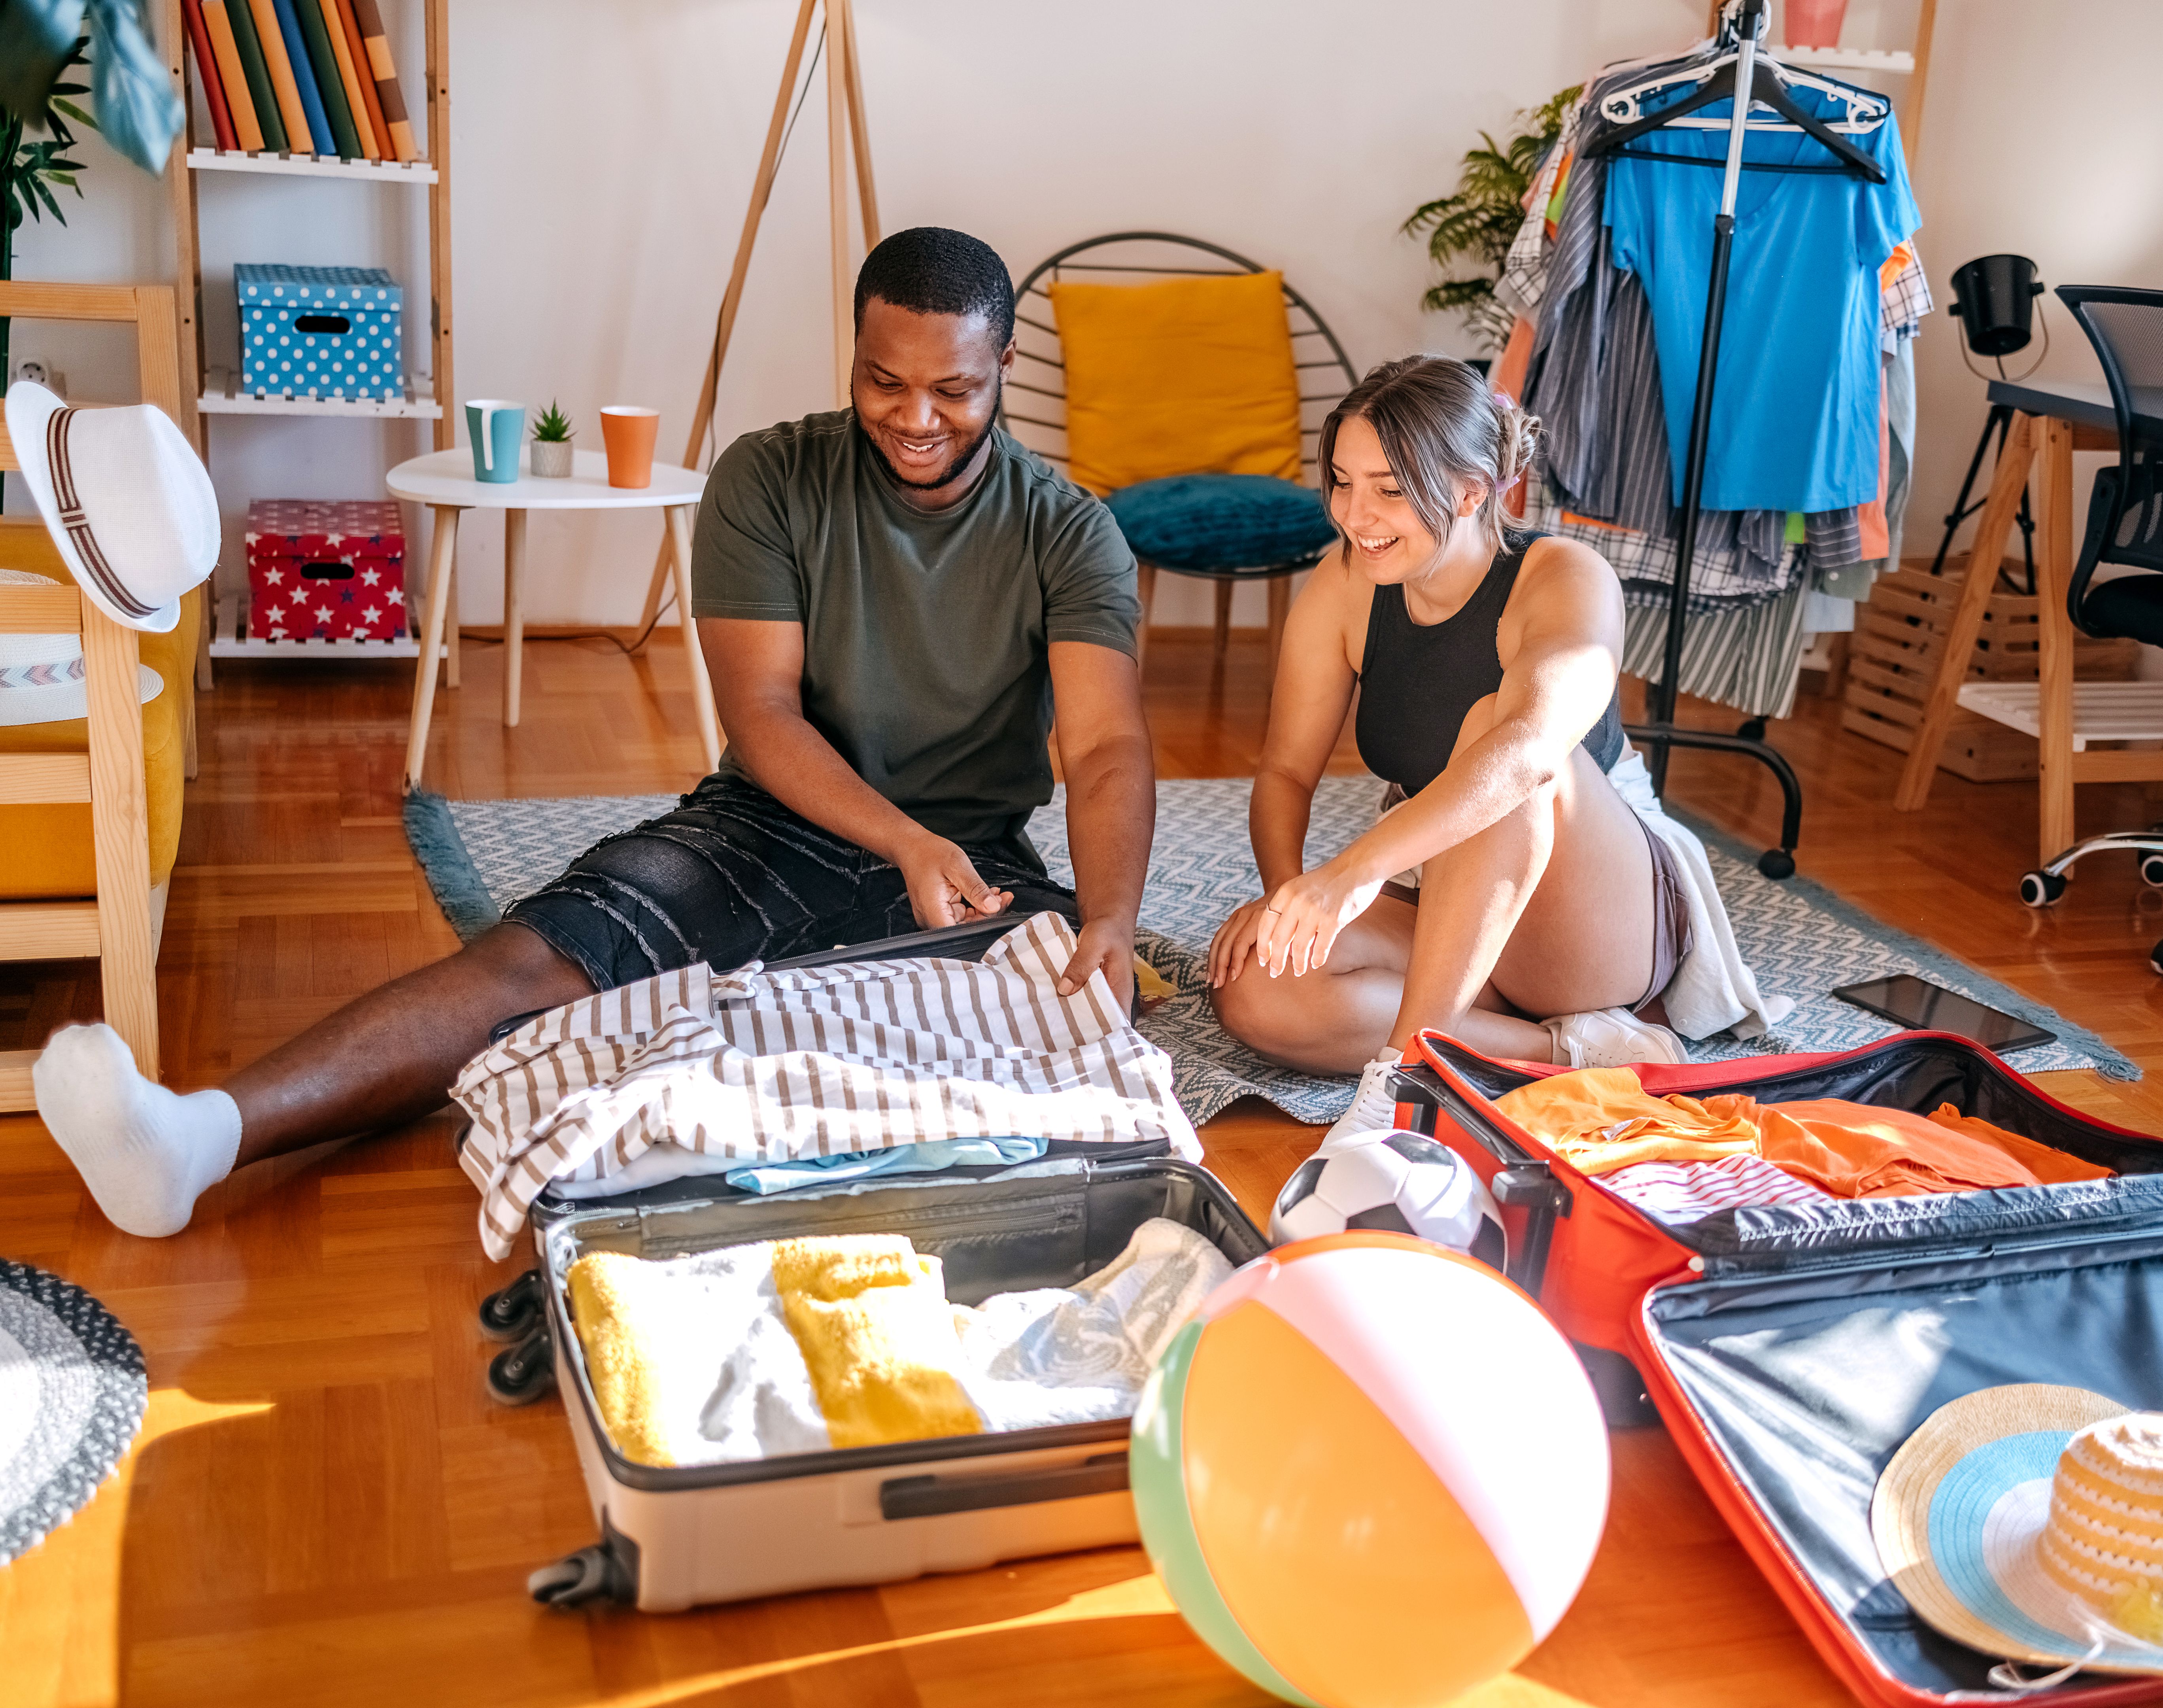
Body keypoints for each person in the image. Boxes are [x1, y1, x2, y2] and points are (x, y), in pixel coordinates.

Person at [34, 225, 1155, 1239]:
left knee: (1051, 1030)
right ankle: (195, 1139)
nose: (915, 418)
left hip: (969, 870)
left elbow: (1104, 748)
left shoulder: (1070, 534)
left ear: (1003, 367)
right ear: (852, 356)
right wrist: (900, 842)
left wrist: (1108, 917)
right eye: (883, 380)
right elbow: (761, 717)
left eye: (952, 390)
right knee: (535, 966)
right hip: (773, 824)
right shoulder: (770, 477)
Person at [1211, 354, 1730, 1143]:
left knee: (1492, 727)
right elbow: (1284, 770)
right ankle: (1567, 1052)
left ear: (1470, 489)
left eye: (1389, 489)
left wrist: (1353, 872)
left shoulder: (1564, 576)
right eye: (1342, 483)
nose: (1358, 515)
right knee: (1258, 988)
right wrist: (1293, 904)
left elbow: (1527, 752)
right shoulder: (1347, 583)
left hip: (1592, 914)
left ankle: (1405, 1082)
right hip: (1448, 893)